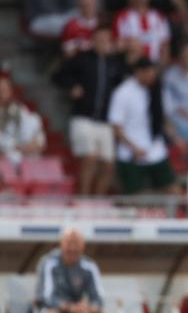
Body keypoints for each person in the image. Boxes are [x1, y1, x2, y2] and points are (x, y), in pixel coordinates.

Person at [52, 28, 126, 195]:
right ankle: (83, 199)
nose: (103, 43)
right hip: (83, 117)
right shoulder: (82, 59)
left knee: (108, 164)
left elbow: (122, 84)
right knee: (89, 158)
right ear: (92, 41)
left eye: (106, 40)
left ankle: (97, 202)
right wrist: (72, 86)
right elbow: (58, 76)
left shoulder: (114, 63)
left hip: (105, 120)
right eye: (99, 40)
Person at [107, 58, 178, 194]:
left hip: (156, 150)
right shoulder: (123, 93)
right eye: (147, 73)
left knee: (173, 190)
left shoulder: (159, 90)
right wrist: (133, 148)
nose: (151, 77)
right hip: (130, 154)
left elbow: (165, 119)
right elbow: (116, 127)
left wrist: (176, 137)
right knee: (133, 196)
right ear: (138, 73)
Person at [35, 228, 114, 313]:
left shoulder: (89, 266)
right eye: (69, 244)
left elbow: (98, 298)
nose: (72, 248)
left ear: (82, 246)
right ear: (62, 244)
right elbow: (47, 297)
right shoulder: (49, 263)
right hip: (53, 311)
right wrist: (70, 307)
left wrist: (90, 308)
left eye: (76, 244)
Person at [114, 0, 171, 64]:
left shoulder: (159, 17)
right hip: (132, 66)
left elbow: (165, 46)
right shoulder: (121, 17)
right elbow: (118, 46)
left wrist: (160, 69)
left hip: (155, 66)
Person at [0, 77, 45, 166]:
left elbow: (39, 141)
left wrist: (34, 145)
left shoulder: (21, 111)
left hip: (22, 157)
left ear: (10, 91)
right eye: (1, 89)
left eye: (5, 89)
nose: (2, 92)